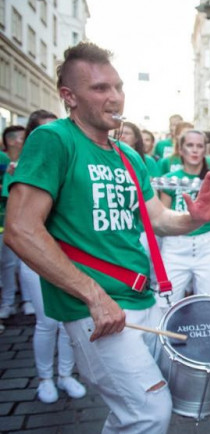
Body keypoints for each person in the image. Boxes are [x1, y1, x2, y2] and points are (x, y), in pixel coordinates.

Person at [4, 42, 210, 433]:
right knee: (150, 411)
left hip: (142, 300)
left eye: (118, 86)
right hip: (95, 310)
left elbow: (157, 219)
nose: (114, 97)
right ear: (68, 96)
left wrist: (195, 219)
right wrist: (94, 295)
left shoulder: (129, 156)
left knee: (139, 409)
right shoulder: (54, 140)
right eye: (100, 89)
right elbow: (20, 229)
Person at [3, 110, 88, 403]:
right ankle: (45, 378)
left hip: (71, 255)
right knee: (47, 322)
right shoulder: (22, 170)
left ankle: (65, 375)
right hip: (37, 257)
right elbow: (18, 224)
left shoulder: (75, 165)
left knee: (71, 322)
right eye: (45, 132)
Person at [158, 130, 210, 310]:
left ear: (205, 150)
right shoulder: (170, 180)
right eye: (190, 145)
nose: (195, 150)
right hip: (176, 245)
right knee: (164, 305)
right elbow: (163, 218)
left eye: (199, 146)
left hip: (209, 246)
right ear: (181, 150)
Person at [0, 125, 34, 319]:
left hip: (34, 224)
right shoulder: (8, 163)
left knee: (23, 264)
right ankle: (9, 302)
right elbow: (10, 194)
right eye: (22, 137)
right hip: (12, 223)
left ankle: (28, 300)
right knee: (9, 264)